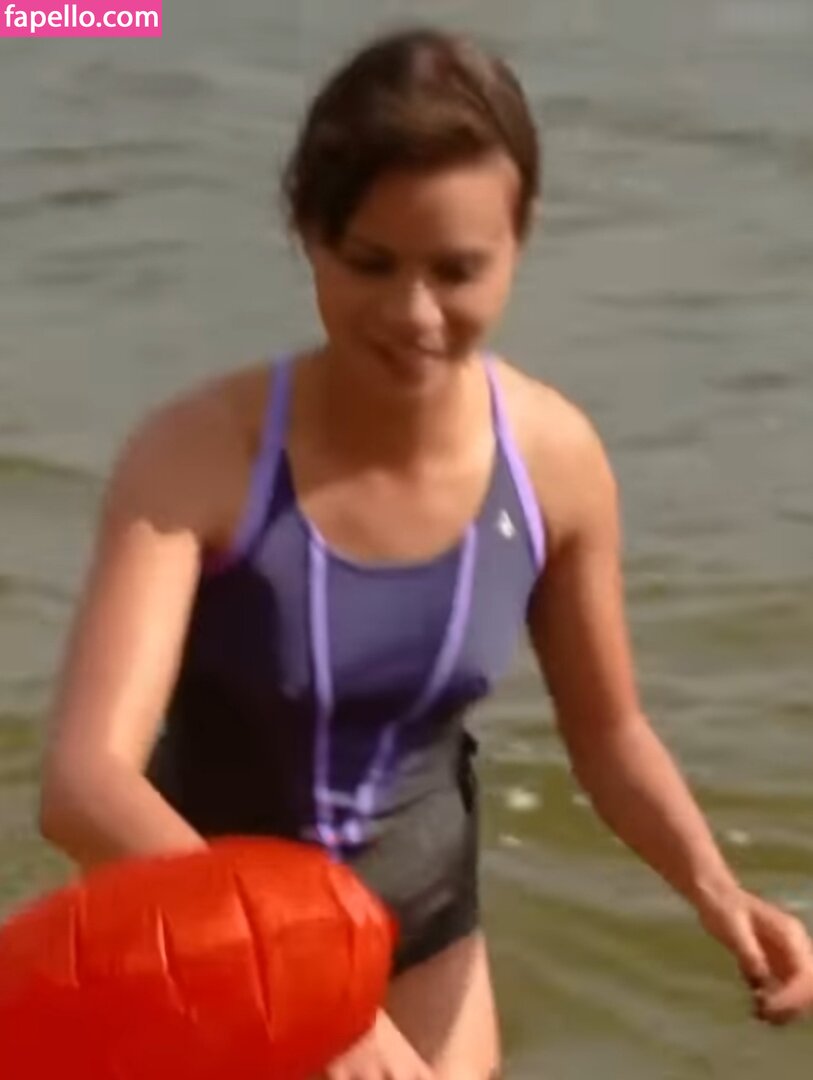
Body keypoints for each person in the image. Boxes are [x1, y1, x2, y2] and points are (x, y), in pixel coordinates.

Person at [38, 26, 813, 1080]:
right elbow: (84, 785)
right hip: (199, 946)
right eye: (372, 264)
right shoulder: (199, 454)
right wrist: (302, 978)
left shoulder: (554, 463)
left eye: (457, 271)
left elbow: (610, 732)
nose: (414, 314)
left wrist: (718, 893)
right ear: (309, 234)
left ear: (518, 244)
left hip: (427, 938)